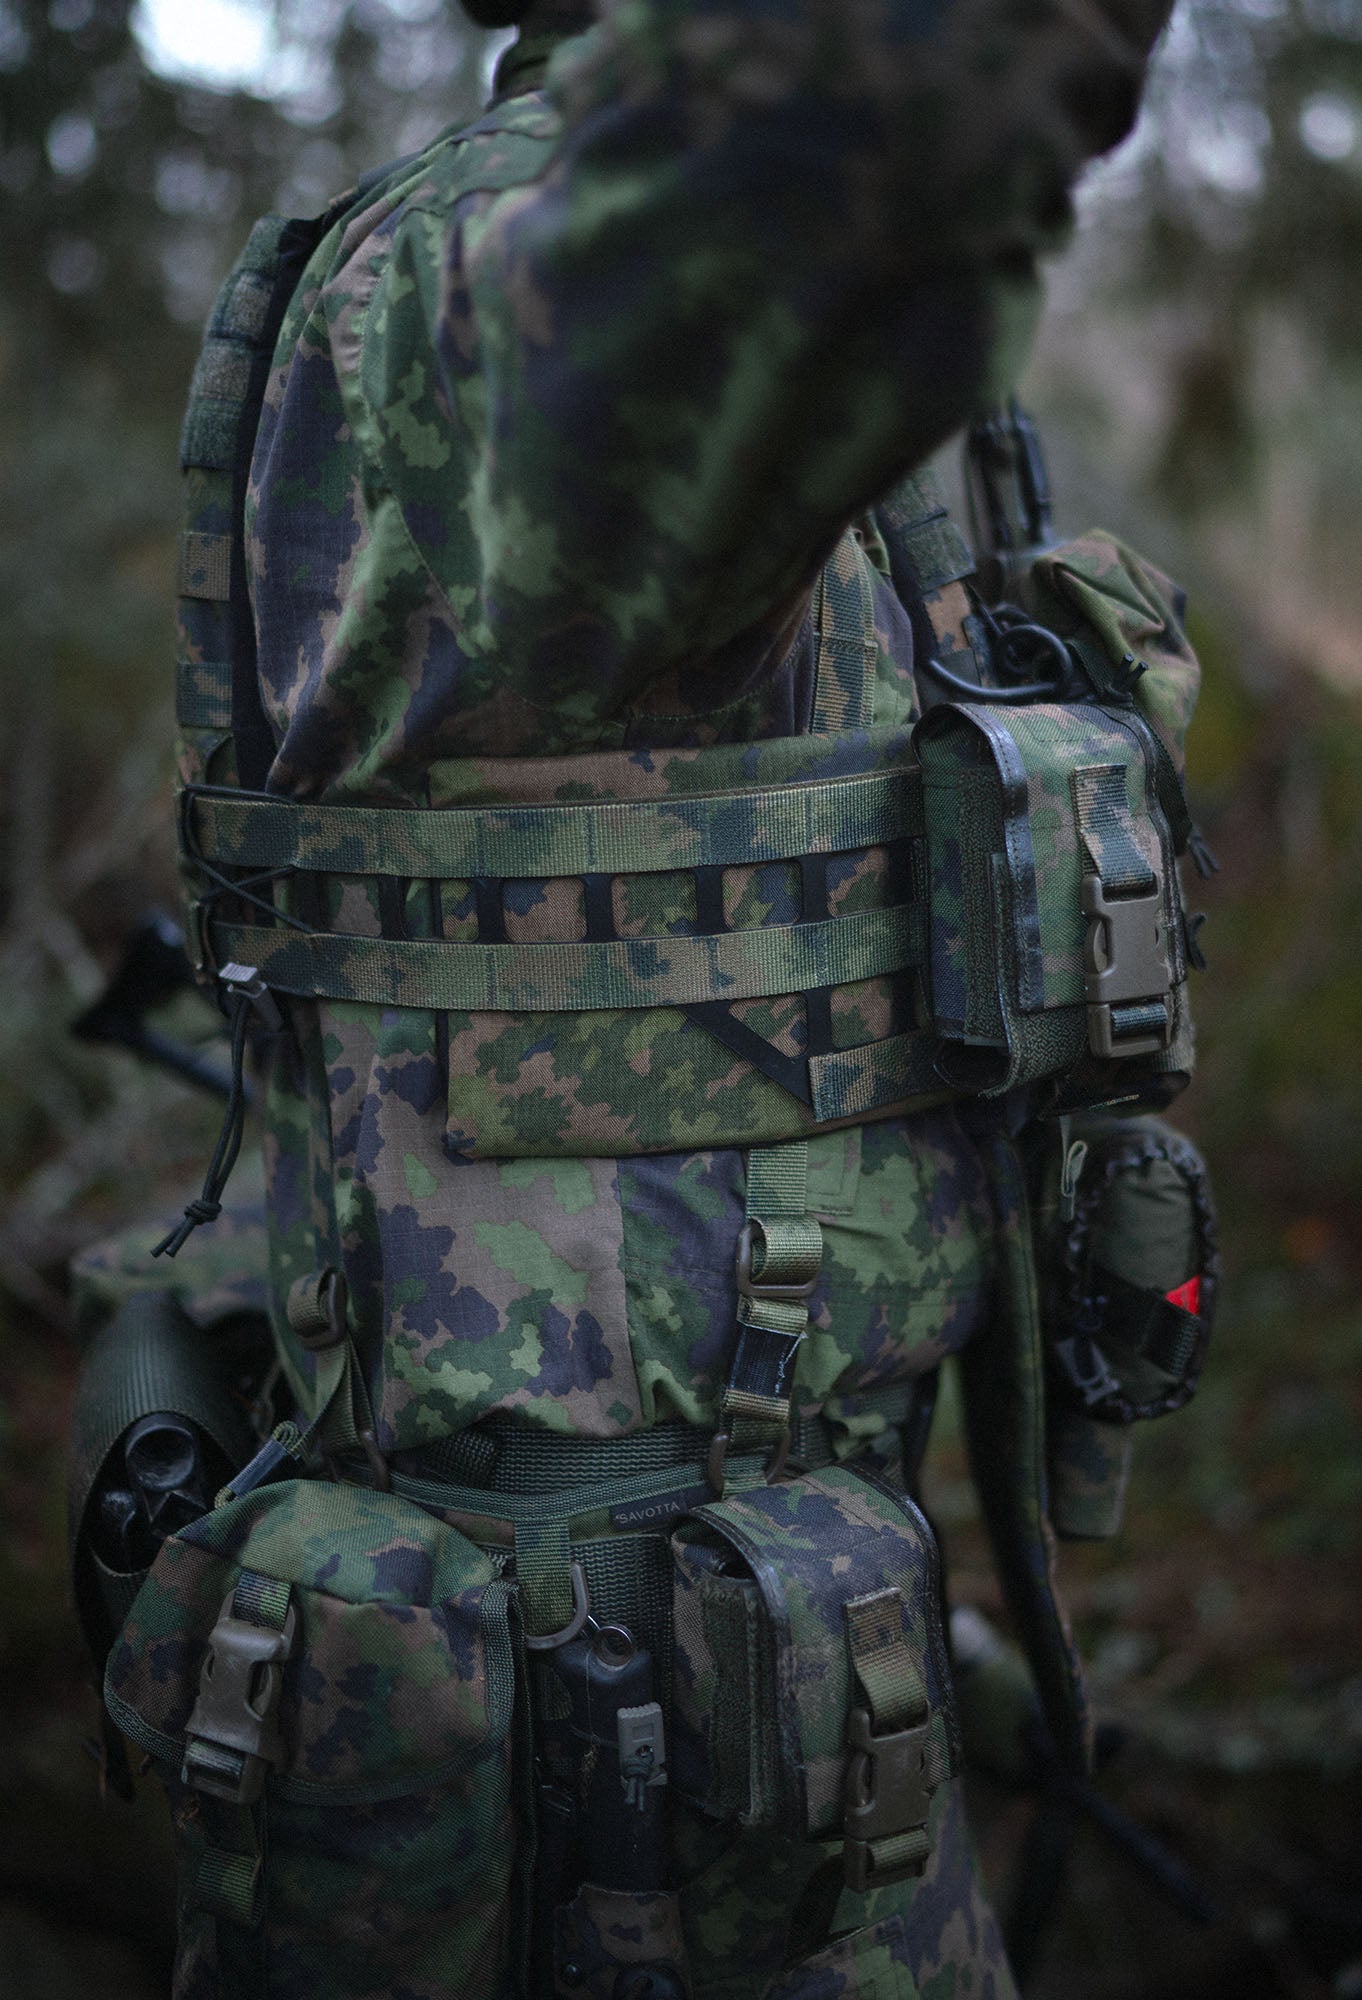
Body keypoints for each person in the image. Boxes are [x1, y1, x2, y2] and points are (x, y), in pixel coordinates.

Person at [74, 3, 1210, 1995]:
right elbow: (927, 105)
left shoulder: (720, 335)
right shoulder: (521, 274)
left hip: (784, 1665)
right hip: (586, 1767)